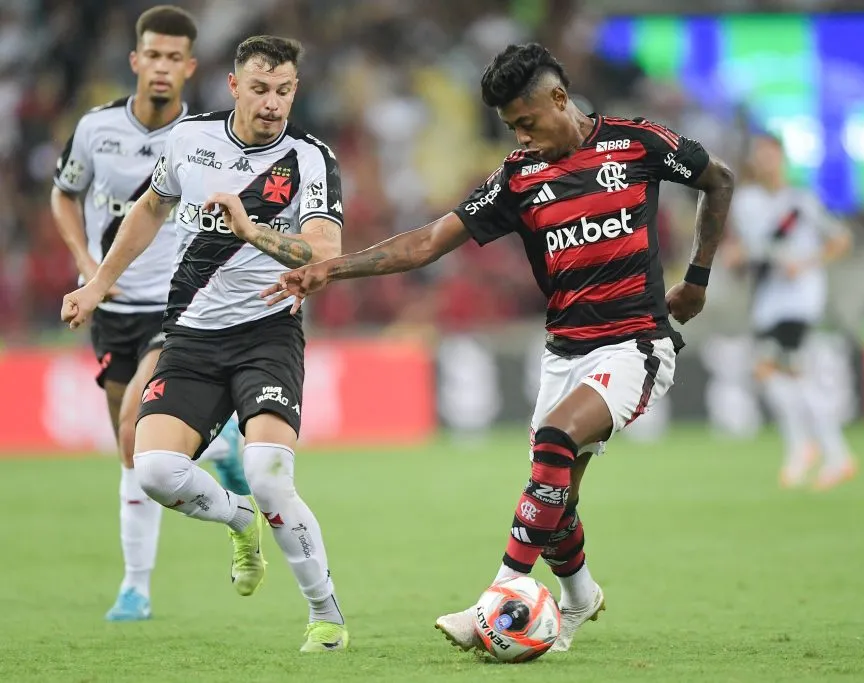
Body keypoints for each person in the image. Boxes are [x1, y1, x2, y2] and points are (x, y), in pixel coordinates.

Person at [261, 43, 735, 653]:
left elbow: (717, 180)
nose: (522, 137)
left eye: (527, 122)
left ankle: (499, 592)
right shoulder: (519, 177)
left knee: (558, 441)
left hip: (635, 344)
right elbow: (430, 241)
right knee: (555, 495)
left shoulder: (637, 143)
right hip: (565, 353)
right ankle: (580, 598)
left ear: (559, 98)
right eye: (511, 127)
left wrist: (696, 279)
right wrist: (336, 269)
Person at [61, 35, 348, 652]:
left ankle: (326, 615)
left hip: (266, 333)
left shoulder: (310, 158)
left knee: (269, 472)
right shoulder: (189, 139)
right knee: (155, 470)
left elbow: (325, 257)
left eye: (285, 91)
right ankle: (239, 520)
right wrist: (97, 285)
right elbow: (148, 210)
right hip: (191, 332)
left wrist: (252, 230)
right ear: (235, 87)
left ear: (295, 89)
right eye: (261, 89)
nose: (273, 104)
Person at [51, 5, 249, 623]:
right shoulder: (94, 129)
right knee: (127, 447)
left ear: (189, 67)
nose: (162, 68)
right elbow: (64, 193)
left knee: (138, 416)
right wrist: (87, 264)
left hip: (176, 306)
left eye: (174, 58)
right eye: (152, 56)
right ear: (137, 60)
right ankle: (212, 459)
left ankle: (135, 588)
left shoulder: (202, 139)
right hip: (113, 309)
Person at [725, 133, 856, 489]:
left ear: (782, 158)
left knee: (779, 367)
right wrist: (738, 256)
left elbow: (841, 239)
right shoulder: (747, 202)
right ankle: (823, 451)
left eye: (771, 155)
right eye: (759, 155)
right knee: (778, 373)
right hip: (769, 296)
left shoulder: (802, 201)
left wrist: (809, 263)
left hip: (801, 296)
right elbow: (750, 248)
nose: (765, 162)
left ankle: (816, 450)